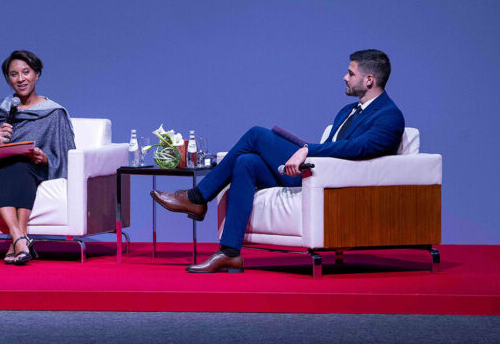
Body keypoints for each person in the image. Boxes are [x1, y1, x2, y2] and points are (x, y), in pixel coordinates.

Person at [151, 49, 405, 273]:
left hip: (334, 185)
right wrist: (306, 152)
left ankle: (197, 198)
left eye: (350, 73)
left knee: (256, 135)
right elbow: (338, 145)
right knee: (246, 162)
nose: (345, 77)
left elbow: (358, 148)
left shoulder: (389, 116)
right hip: (314, 174)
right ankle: (230, 253)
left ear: (369, 80)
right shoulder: (347, 111)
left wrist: (307, 150)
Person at [0, 50, 76, 265]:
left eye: (26, 72)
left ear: (37, 74)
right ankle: (20, 239)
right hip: (1, 167)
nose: (21, 79)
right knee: (8, 168)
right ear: (8, 79)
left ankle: (16, 239)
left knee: (20, 166)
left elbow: (69, 156)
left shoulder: (53, 113)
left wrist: (45, 158)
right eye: (14, 74)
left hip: (34, 169)